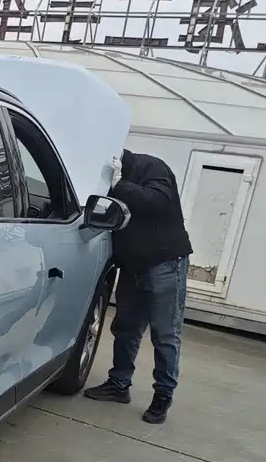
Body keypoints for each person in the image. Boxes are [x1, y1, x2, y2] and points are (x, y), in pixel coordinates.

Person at [83, 149, 193, 424]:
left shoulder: (151, 166)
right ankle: (119, 384)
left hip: (165, 262)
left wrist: (119, 185)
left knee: (165, 333)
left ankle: (163, 395)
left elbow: (158, 200)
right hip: (133, 265)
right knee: (126, 328)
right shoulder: (103, 179)